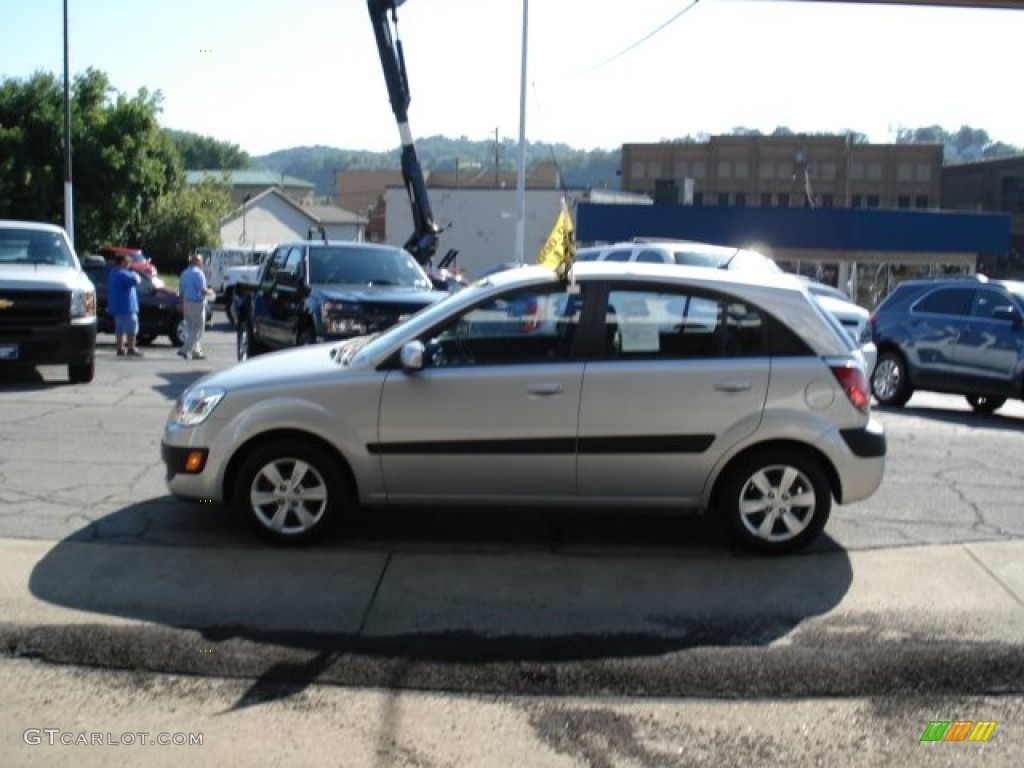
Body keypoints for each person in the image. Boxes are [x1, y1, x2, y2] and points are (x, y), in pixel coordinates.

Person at [178, 252, 214, 360]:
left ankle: (196, 352)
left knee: (190, 329)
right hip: (197, 303)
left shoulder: (184, 273)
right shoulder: (198, 273)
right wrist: (211, 292)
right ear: (197, 262)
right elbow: (202, 290)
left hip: (187, 302)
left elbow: (181, 292)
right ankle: (184, 349)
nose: (202, 263)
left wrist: (181, 304)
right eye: (200, 261)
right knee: (198, 329)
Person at [107, 252, 143, 357]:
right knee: (132, 327)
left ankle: (120, 348)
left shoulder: (113, 273)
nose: (129, 264)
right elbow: (135, 280)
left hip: (116, 305)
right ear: (122, 262)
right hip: (127, 305)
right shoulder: (123, 273)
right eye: (128, 261)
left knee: (119, 328)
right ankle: (131, 347)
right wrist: (136, 275)